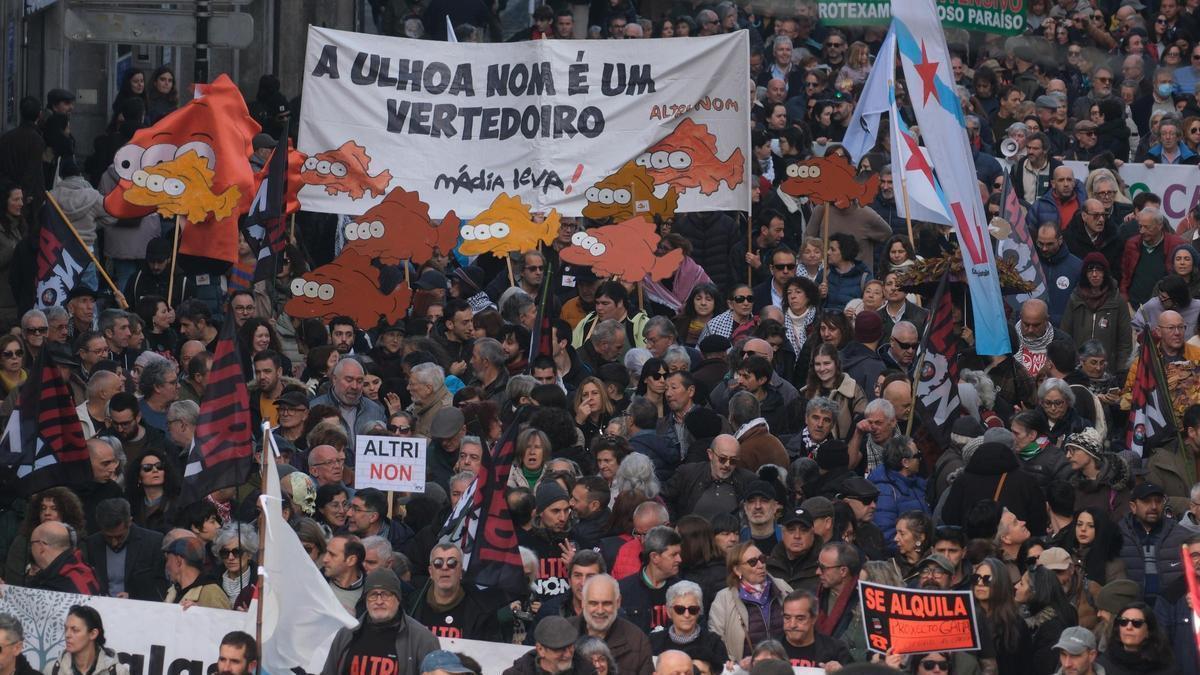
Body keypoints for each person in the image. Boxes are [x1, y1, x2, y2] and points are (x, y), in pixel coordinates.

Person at [320, 568, 439, 675]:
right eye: (373, 595)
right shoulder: (346, 634)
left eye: (385, 594)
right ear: (365, 600)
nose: (379, 601)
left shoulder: (423, 639)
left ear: (398, 598)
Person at [709, 541, 794, 662]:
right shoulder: (724, 598)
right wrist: (732, 664)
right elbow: (717, 640)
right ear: (737, 570)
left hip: (784, 667)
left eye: (762, 559)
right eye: (753, 562)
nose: (761, 565)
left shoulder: (782, 587)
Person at [408, 543, 502, 641]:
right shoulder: (412, 604)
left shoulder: (482, 609)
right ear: (431, 572)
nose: (444, 567)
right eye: (438, 563)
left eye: (452, 562)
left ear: (461, 571)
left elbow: (491, 651)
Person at [1118, 483, 1190, 604]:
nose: (1154, 506)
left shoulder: (1181, 536)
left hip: (1171, 608)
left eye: (1158, 501)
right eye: (1146, 501)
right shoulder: (1118, 535)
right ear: (1133, 506)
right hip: (1130, 609)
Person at [83, 497, 167, 601]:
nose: (114, 543)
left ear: (130, 522)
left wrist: (133, 597)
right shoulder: (92, 543)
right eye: (108, 537)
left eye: (119, 537)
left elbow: (162, 585)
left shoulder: (153, 542)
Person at [571, 574, 654, 675]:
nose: (600, 610)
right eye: (593, 603)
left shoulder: (638, 641)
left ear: (618, 602)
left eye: (606, 603)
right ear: (583, 602)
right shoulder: (564, 633)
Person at [648, 580, 728, 670]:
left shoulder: (714, 643)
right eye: (680, 609)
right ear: (669, 612)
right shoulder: (654, 642)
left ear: (699, 612)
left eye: (693, 609)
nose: (687, 615)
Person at [1016, 566, 1078, 674]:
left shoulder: (1051, 627)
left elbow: (1045, 666)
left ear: (1035, 590)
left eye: (1021, 583)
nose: (1016, 586)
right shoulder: (1058, 613)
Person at [869, 436, 928, 547]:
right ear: (905, 462)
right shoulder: (885, 492)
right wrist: (916, 549)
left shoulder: (914, 483)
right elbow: (885, 534)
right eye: (917, 455)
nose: (920, 459)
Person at [43, 606, 129, 675]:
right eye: (66, 629)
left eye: (75, 630)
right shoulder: (51, 670)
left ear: (93, 634)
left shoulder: (119, 672)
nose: (67, 635)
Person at [1097, 601, 1178, 675]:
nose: (1129, 627)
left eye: (1137, 623)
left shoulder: (1165, 666)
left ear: (1148, 631)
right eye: (1123, 622)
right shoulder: (1102, 665)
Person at [27, 520, 99, 595]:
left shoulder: (56, 586)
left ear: (41, 547)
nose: (31, 548)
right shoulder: (83, 569)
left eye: (32, 544)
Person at [163, 536, 229, 609]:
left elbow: (225, 619)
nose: (166, 565)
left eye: (168, 559)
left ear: (178, 561)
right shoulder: (173, 591)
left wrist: (200, 613)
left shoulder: (212, 593)